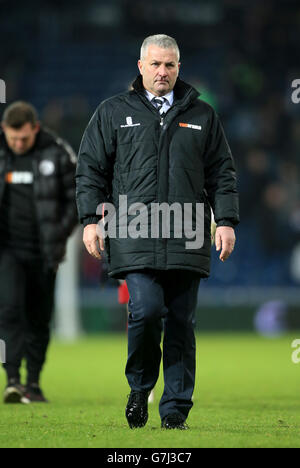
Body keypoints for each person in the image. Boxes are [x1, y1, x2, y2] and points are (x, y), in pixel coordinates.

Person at [76, 34, 239, 429]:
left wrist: (228, 221)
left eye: (169, 65)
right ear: (141, 66)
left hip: (187, 234)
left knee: (182, 324)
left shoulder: (203, 115)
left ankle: (175, 413)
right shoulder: (112, 112)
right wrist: (90, 221)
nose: (162, 71)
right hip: (133, 233)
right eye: (155, 64)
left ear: (179, 67)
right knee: (145, 311)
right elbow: (90, 170)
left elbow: (222, 173)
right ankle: (139, 387)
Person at [0, 101, 77, 403]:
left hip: (45, 250)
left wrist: (60, 232)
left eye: (24, 138)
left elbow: (77, 198)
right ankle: (13, 380)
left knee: (39, 317)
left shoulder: (57, 151)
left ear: (35, 128)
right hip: (6, 249)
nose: (19, 144)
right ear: (4, 130)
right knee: (8, 310)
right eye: (13, 138)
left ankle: (33, 381)